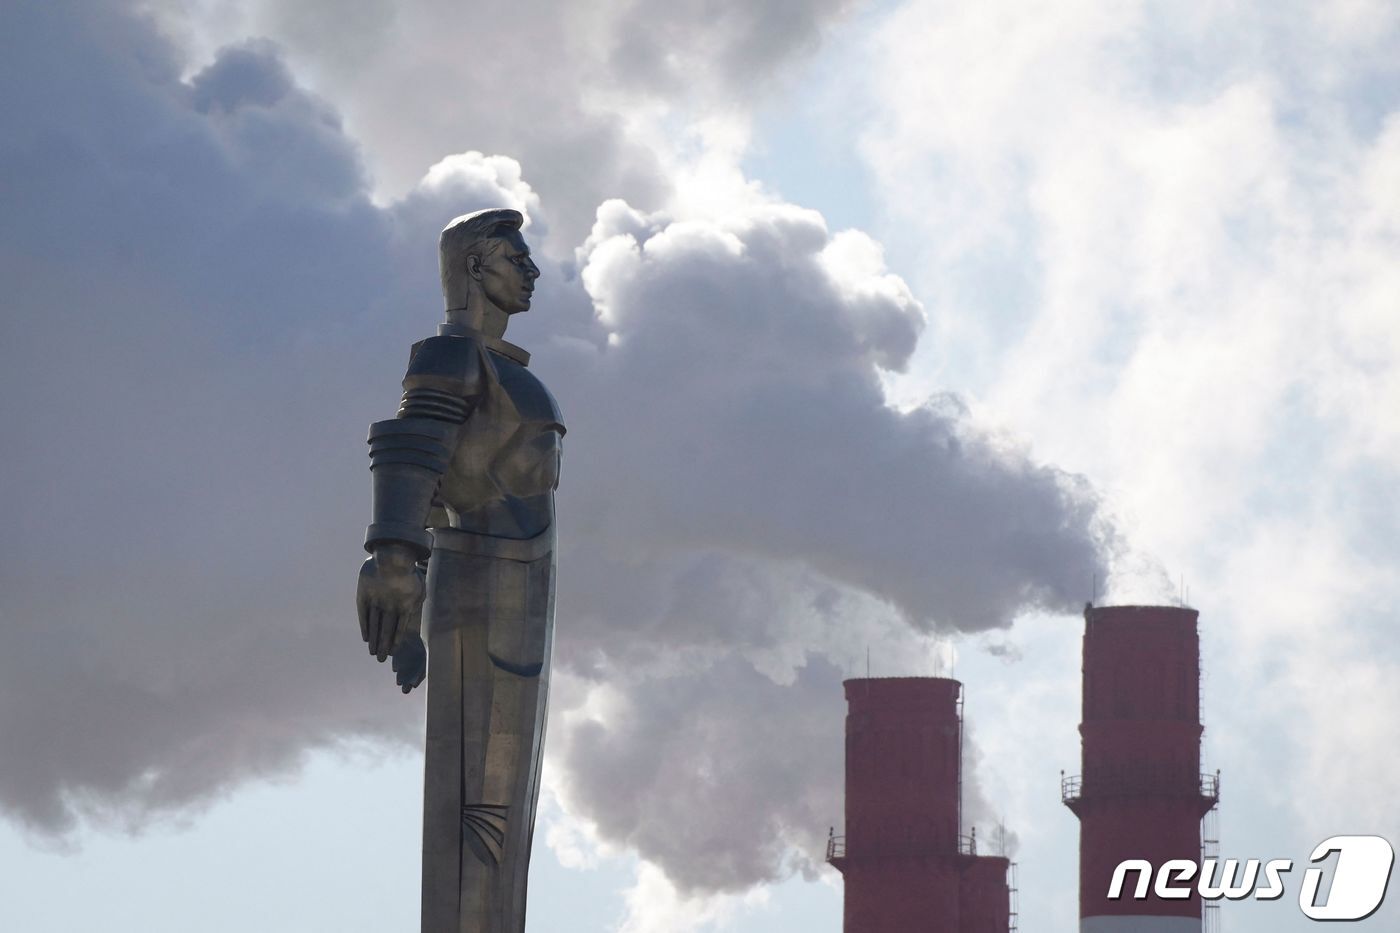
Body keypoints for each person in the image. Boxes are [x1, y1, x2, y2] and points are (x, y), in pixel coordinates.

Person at [356, 207, 563, 932]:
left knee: (508, 806)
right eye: (517, 257)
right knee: (479, 811)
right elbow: (415, 444)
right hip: (478, 579)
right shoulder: (451, 355)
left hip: (524, 587)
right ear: (476, 266)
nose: (531, 271)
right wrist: (394, 556)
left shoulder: (503, 368)